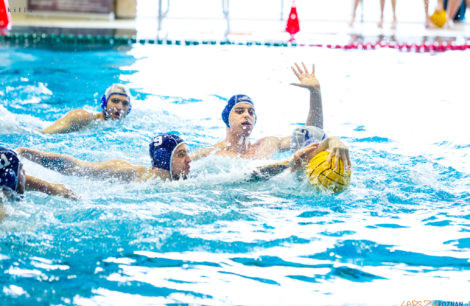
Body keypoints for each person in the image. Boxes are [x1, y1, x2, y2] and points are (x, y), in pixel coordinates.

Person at [190, 63, 349, 164]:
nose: (247, 115)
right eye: (239, 111)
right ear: (226, 118)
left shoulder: (268, 145)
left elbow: (312, 136)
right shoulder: (213, 154)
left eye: (251, 112)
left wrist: (315, 92)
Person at [16, 133, 191, 183]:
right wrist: (26, 153)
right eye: (181, 154)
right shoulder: (131, 173)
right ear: (163, 158)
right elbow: (75, 166)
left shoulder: (192, 181)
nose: (189, 160)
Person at [41, 84, 132, 134]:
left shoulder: (127, 125)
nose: (120, 107)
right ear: (104, 103)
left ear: (129, 108)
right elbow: (44, 134)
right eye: (115, 101)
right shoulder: (83, 116)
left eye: (125, 103)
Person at [0, 146, 78, 203]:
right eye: (21, 168)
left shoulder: (8, 178)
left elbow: (19, 151)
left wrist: (54, 188)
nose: (24, 171)